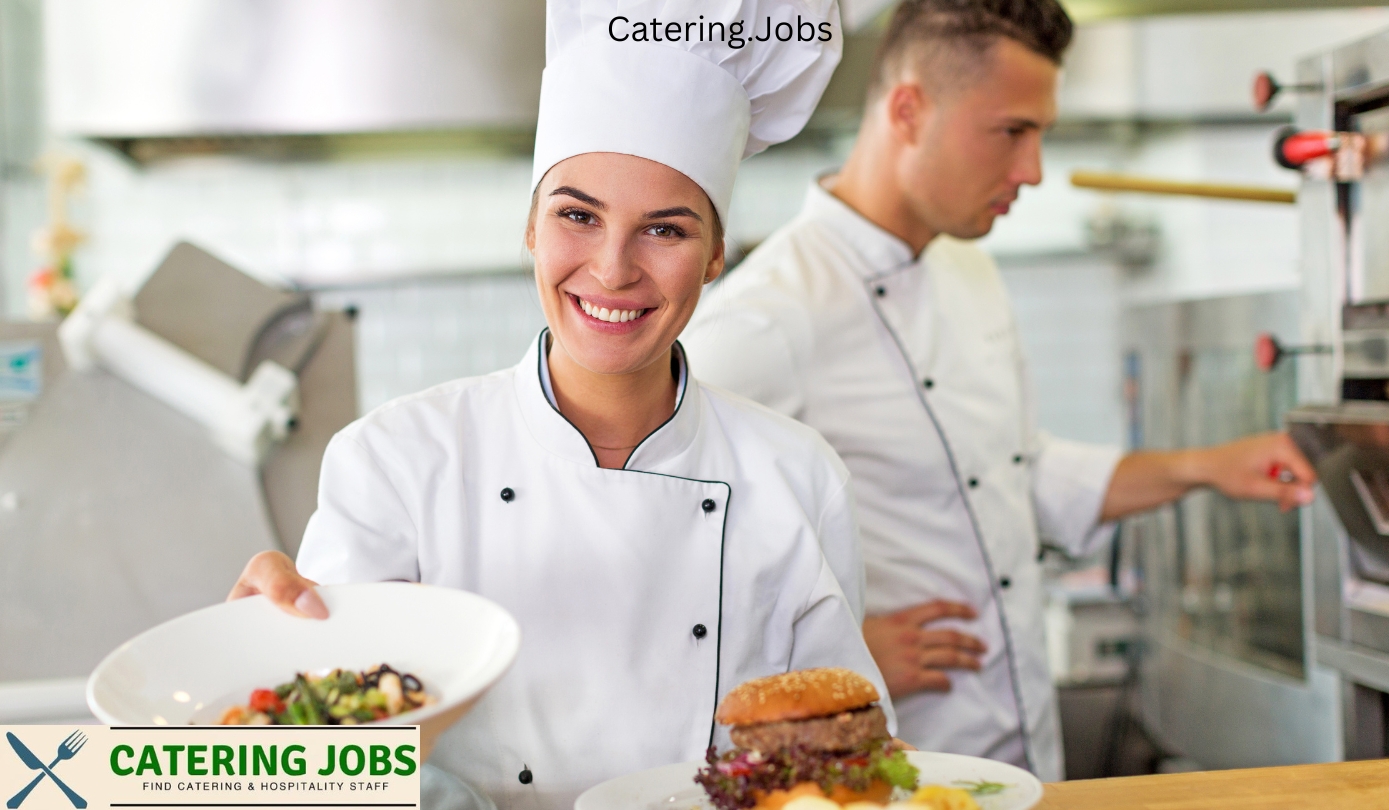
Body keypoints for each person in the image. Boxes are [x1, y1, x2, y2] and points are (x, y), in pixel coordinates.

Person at [226, 2, 887, 808]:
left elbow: (846, 766)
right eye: (578, 215)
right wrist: (261, 686)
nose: (612, 270)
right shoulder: (395, 463)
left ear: (716, 254)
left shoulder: (798, 478)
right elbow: (327, 771)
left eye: (665, 231)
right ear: (532, 229)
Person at [680, 0, 1318, 781]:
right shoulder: (765, 318)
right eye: (1012, 131)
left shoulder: (969, 269)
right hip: (896, 776)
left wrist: (1205, 467)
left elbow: (1017, 473)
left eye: (1040, 133)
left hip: (1027, 760)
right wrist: (825, 656)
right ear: (908, 111)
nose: (1033, 171)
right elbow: (677, 567)